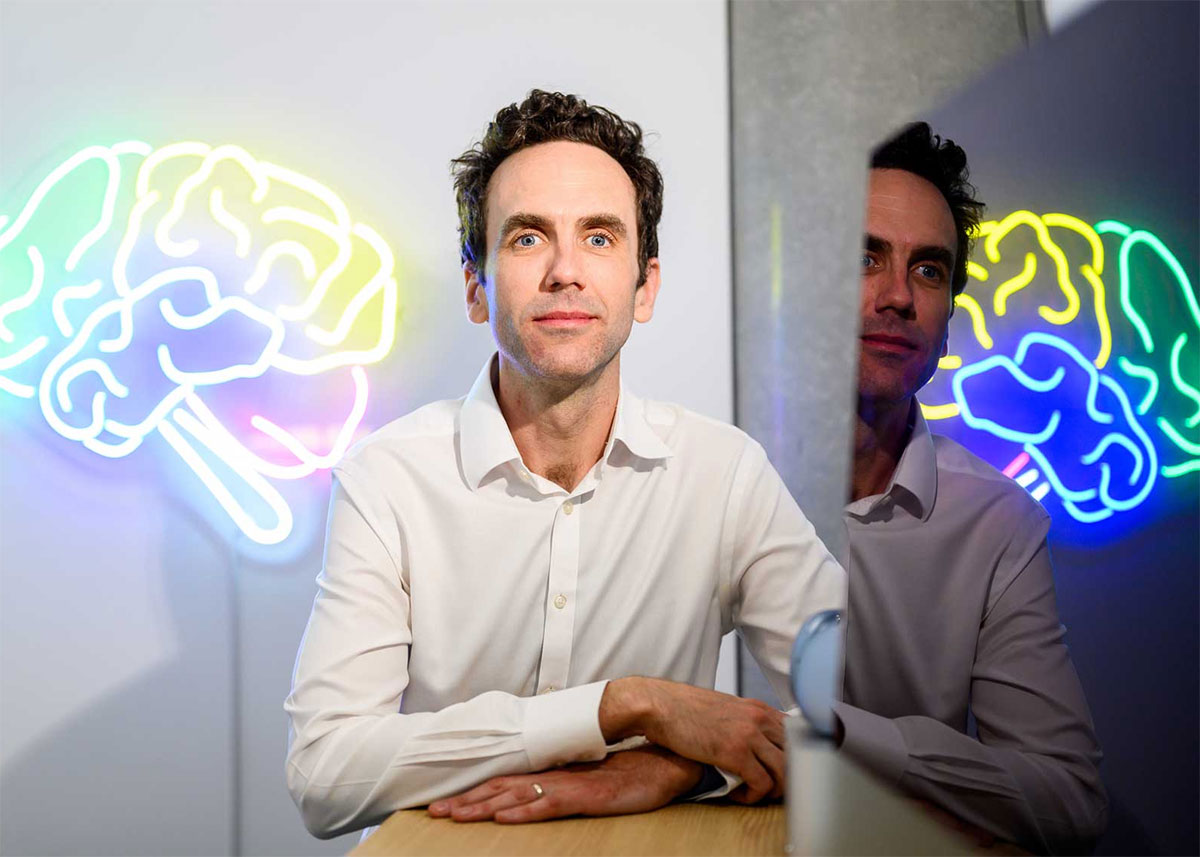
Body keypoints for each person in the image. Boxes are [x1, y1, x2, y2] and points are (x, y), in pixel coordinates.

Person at [285, 90, 845, 838]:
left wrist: (687, 766)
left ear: (645, 286)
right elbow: (325, 773)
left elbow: (873, 717)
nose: (565, 271)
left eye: (600, 237)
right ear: (476, 288)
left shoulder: (723, 472)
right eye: (526, 238)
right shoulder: (387, 480)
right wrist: (624, 705)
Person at [836, 121, 1107, 854]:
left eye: (928, 270)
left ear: (949, 320)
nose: (897, 296)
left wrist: (843, 738)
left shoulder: (998, 521)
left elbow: (1069, 796)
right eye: (865, 257)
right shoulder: (715, 468)